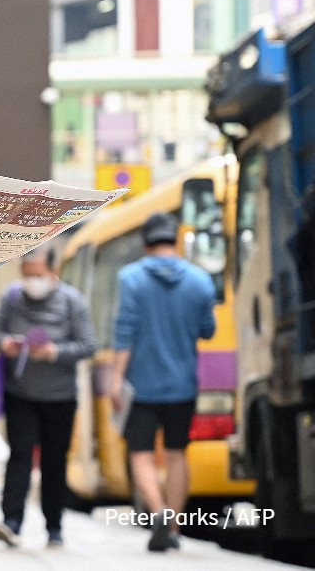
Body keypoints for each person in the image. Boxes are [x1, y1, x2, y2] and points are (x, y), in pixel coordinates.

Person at [110, 212, 216, 552]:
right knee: (176, 454)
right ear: (175, 239)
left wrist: (115, 380)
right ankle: (172, 527)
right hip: (183, 385)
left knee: (139, 453)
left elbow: (124, 332)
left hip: (140, 386)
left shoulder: (131, 278)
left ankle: (156, 512)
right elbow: (208, 330)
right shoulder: (201, 281)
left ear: (145, 242)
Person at [0, 245, 96, 548]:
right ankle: (11, 521)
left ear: (53, 272)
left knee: (54, 461)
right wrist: (5, 343)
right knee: (19, 455)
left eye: (38, 275)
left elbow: (88, 345)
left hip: (60, 398)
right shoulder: (11, 297)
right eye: (26, 275)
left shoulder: (73, 302)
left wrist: (54, 353)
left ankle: (54, 525)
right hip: (20, 393)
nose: (32, 281)